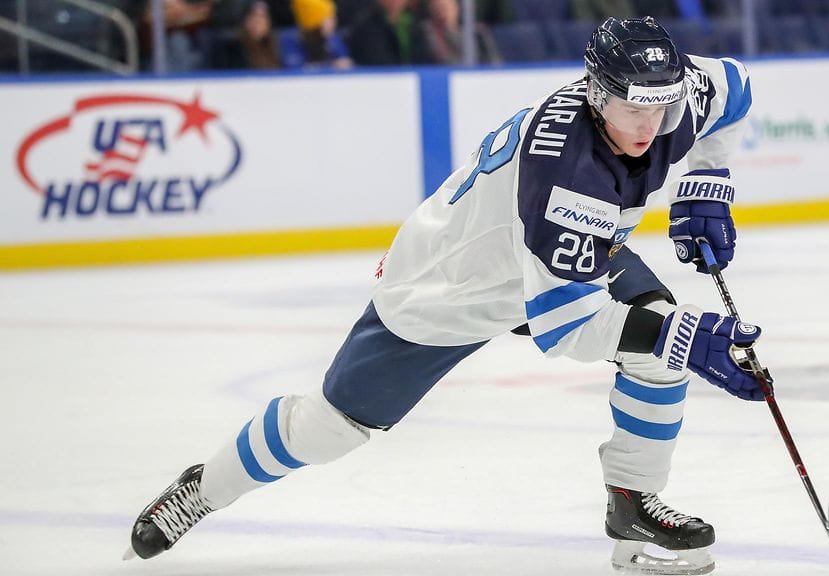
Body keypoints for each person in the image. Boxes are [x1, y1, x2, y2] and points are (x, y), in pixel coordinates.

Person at [126, 16, 760, 575]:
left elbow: (735, 86)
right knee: (329, 430)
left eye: (662, 109)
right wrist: (684, 337)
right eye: (634, 110)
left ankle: (632, 504)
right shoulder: (567, 175)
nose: (650, 126)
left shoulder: (666, 99)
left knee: (657, 337)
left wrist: (708, 180)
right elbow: (564, 327)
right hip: (449, 287)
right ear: (597, 95)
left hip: (554, 253)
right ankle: (204, 488)